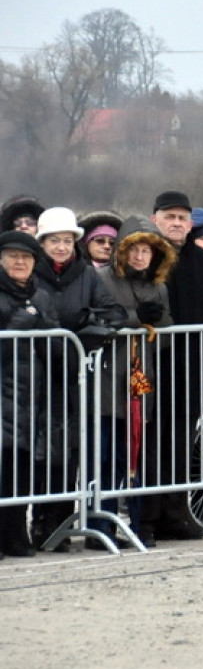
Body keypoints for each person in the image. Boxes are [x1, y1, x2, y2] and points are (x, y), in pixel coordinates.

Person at [31, 207, 126, 551]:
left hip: (73, 375)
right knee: (34, 453)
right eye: (54, 240)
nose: (61, 247)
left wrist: (88, 329)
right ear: (42, 243)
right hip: (35, 373)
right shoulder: (32, 273)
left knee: (67, 451)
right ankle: (35, 522)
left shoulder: (86, 274)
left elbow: (110, 311)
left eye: (67, 240)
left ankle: (56, 526)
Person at [145, 191, 203, 543]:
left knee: (180, 443)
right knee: (150, 440)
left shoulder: (202, 260)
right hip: (151, 362)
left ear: (190, 224)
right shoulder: (145, 254)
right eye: (169, 216)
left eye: (182, 218)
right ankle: (146, 516)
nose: (176, 223)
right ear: (156, 219)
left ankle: (176, 514)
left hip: (190, 366)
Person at [95, 216, 176, 548]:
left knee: (138, 454)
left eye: (147, 251)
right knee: (105, 457)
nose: (141, 257)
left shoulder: (159, 287)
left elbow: (168, 335)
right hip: (106, 380)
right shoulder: (100, 279)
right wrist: (134, 320)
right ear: (122, 252)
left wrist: (159, 321)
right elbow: (97, 320)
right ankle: (101, 527)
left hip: (141, 383)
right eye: (135, 250)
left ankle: (141, 525)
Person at [0, 231, 58, 557]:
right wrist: (19, 326)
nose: (20, 262)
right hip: (3, 391)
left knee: (21, 466)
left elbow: (55, 340)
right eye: (12, 256)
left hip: (31, 395)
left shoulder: (42, 296)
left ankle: (15, 534)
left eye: (26, 257)